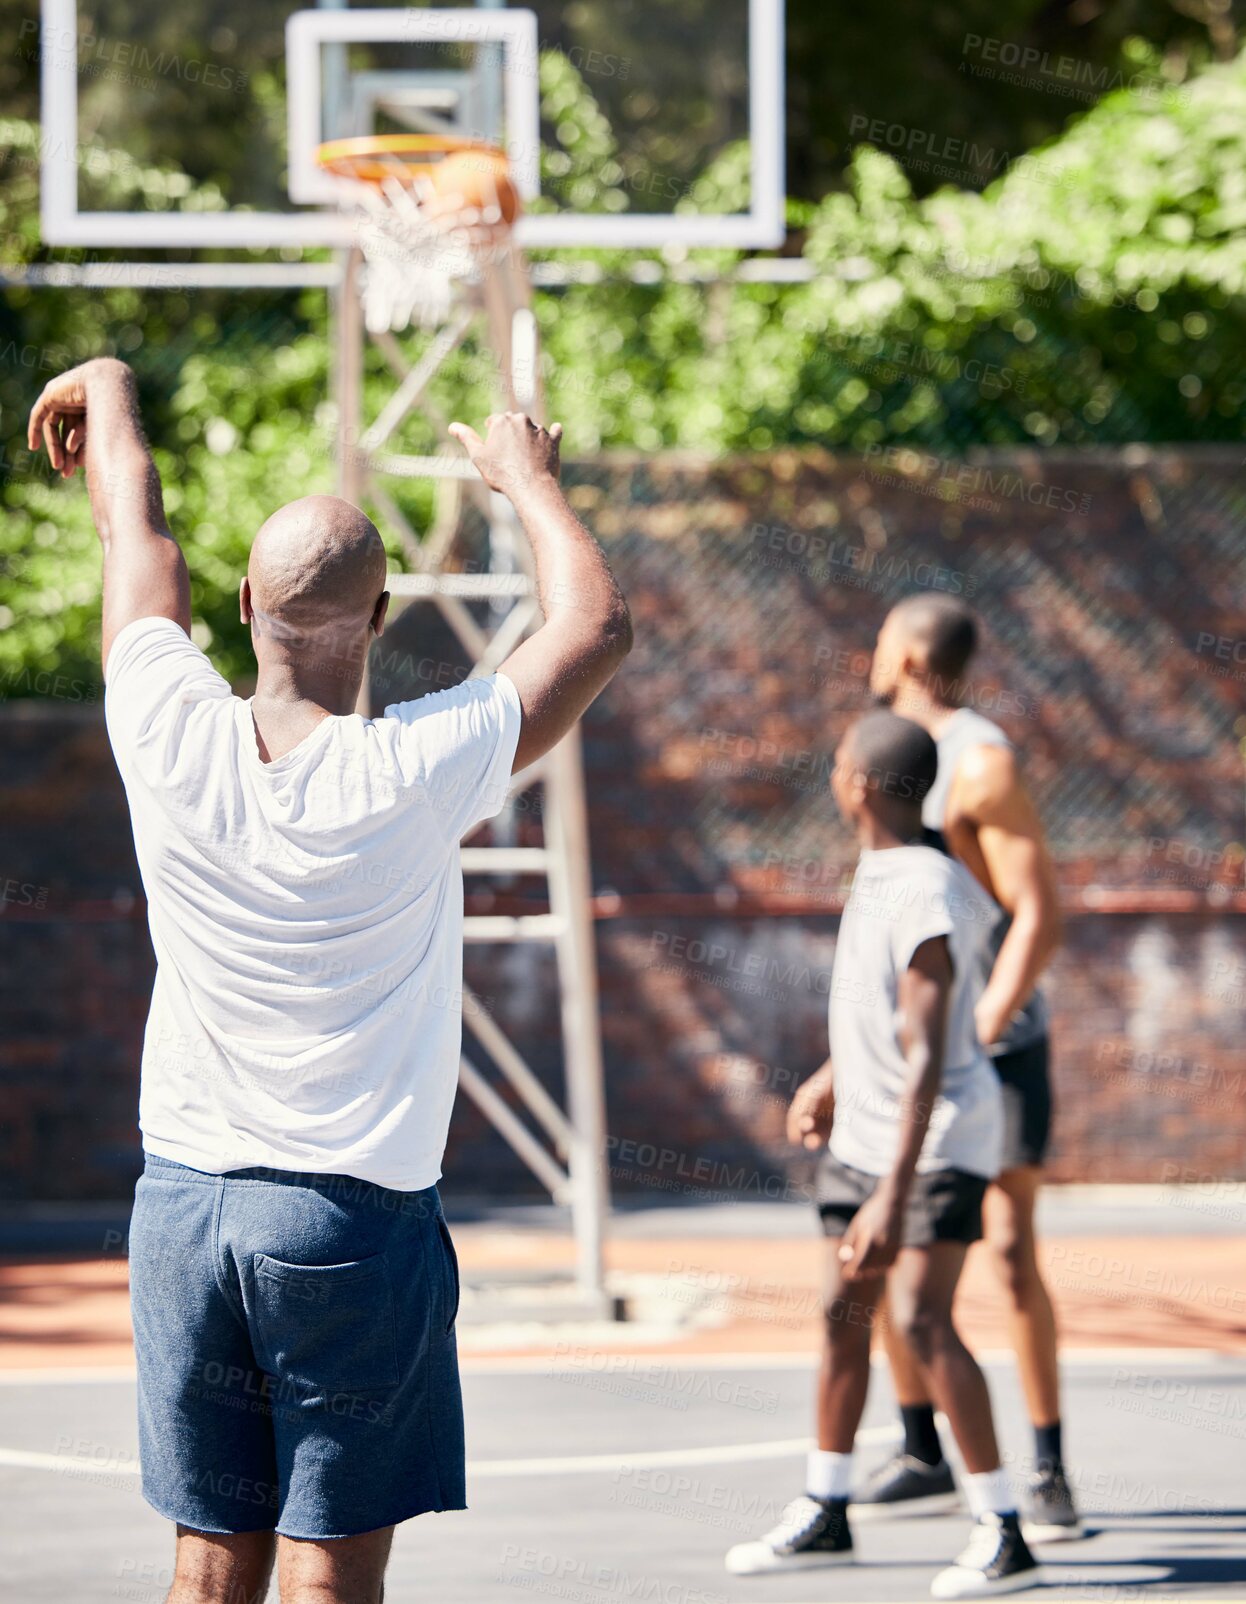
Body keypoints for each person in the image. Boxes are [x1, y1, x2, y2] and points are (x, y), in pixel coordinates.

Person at [28, 359, 632, 1604]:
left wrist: (111, 386)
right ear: (381, 616)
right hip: (346, 1220)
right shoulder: (414, 767)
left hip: (185, 1208)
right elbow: (594, 628)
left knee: (207, 1566)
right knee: (325, 1577)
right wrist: (525, 479)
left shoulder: (163, 722)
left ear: (241, 602)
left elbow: (133, 533)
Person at [726, 711, 1040, 1599]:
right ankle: (826, 1509)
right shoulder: (885, 872)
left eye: (836, 764)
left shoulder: (927, 889)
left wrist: (889, 1199)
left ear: (859, 784)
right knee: (845, 1315)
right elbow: (885, 1019)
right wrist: (831, 1075)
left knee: (926, 1319)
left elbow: (930, 1051)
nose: (831, 774)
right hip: (871, 1134)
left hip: (933, 1140)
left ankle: (1004, 1528)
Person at [860, 594, 1077, 1541]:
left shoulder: (980, 763)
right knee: (877, 1240)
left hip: (995, 1047)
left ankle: (1051, 1467)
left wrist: (980, 1028)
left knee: (1011, 1253)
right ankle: (922, 1449)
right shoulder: (876, 752)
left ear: (907, 651)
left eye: (878, 636)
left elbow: (1041, 914)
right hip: (907, 1054)